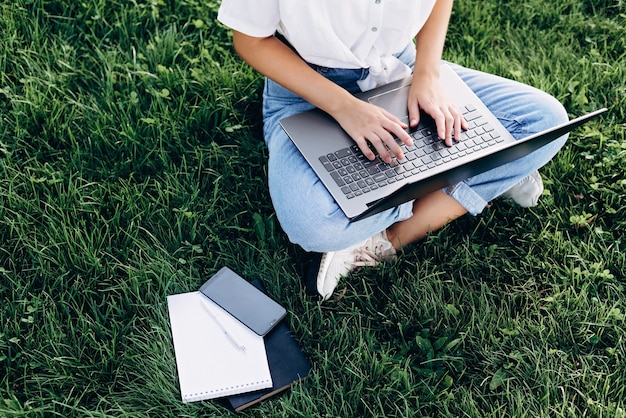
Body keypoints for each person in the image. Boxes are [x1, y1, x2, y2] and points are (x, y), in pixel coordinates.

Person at [217, 0, 569, 300]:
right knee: (312, 224)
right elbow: (251, 40)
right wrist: (344, 107)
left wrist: (428, 75)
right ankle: (480, 168)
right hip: (306, 89)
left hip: (399, 69)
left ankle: (387, 238)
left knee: (546, 121)